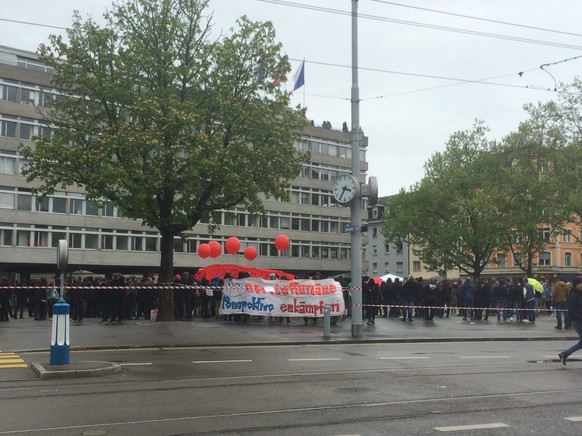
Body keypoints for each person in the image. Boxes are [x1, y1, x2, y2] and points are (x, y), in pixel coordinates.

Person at [558, 276, 582, 366]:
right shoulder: (573, 295)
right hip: (578, 321)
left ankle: (564, 354)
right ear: (576, 285)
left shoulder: (580, 294)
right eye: (580, 283)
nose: (581, 285)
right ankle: (565, 354)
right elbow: (571, 311)